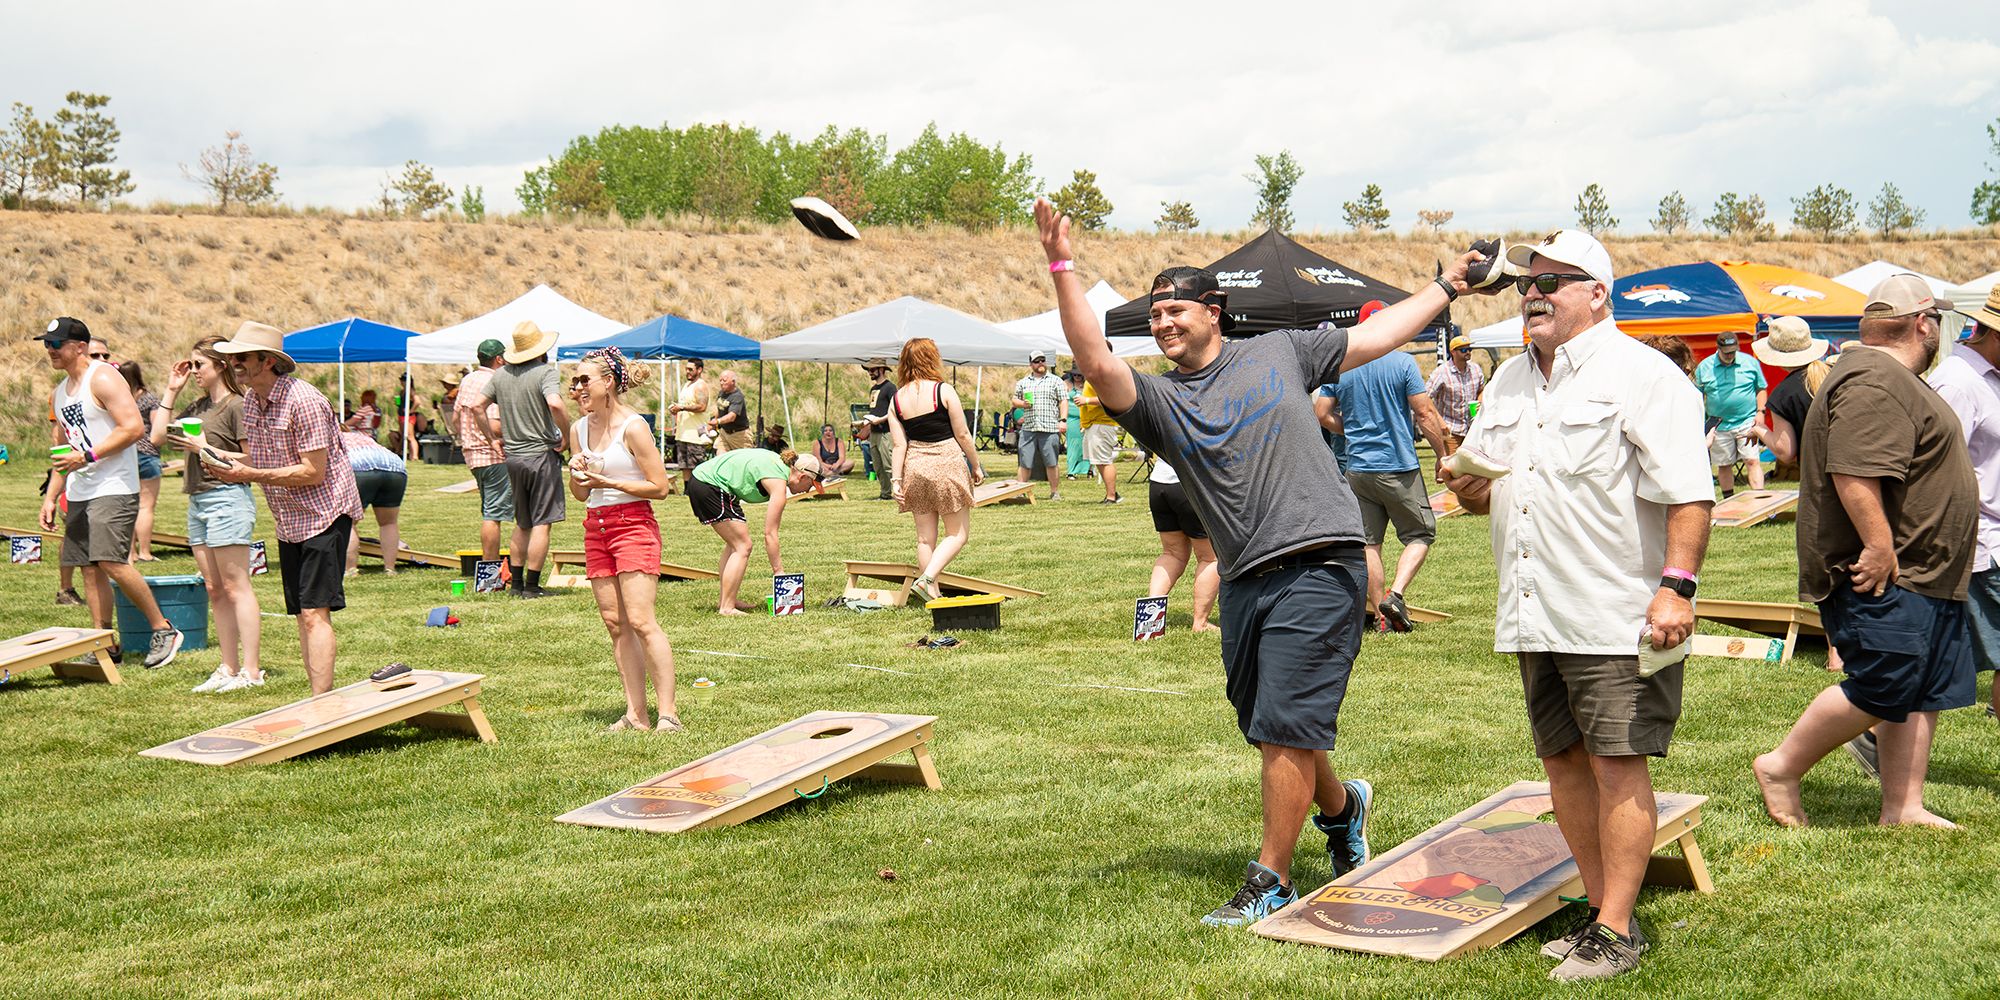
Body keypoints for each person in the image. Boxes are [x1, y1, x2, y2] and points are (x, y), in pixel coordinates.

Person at [1035, 197, 1486, 928]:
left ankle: (1270, 878)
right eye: (1153, 316)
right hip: (1245, 579)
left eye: (1174, 309)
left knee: (1284, 725)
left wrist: (1450, 286)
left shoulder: (1281, 351)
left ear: (1213, 311)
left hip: (1321, 558)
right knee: (1271, 722)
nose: (1162, 323)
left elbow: (1375, 337)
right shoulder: (1156, 403)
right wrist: (1062, 267)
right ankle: (1343, 811)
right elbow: (1093, 357)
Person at [1444, 230, 1712, 981]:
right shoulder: (1507, 381)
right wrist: (1467, 484)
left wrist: (1676, 586)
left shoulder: (1645, 376)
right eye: (1529, 281)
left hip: (1617, 609)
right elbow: (1485, 483)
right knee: (1562, 761)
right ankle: (1600, 913)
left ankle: (1619, 931)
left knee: (1618, 763)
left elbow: (1691, 494)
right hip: (1533, 608)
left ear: (1598, 293)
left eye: (1554, 280)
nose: (1534, 291)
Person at [1753, 276, 1977, 829]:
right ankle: (1782, 766)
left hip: (1925, 572)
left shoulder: (1885, 377)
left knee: (1917, 690)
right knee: (1886, 682)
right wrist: (1879, 545)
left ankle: (1902, 806)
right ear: (1923, 324)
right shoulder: (1875, 378)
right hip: (1889, 572)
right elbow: (1854, 469)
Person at [209, 321, 363, 695]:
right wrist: (212, 455)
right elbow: (258, 457)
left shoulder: (304, 400)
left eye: (241, 357)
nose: (234, 365)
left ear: (267, 361)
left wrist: (250, 473)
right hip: (289, 521)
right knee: (302, 614)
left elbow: (313, 472)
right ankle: (316, 699)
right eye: (231, 358)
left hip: (324, 515)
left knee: (314, 613)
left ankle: (321, 704)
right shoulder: (252, 403)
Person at [36, 316, 185, 669]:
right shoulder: (59, 393)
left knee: (111, 561)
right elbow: (62, 449)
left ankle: (164, 629)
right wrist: (51, 496)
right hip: (81, 487)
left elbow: (133, 428)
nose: (50, 351)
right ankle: (103, 642)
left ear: (80, 347)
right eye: (47, 344)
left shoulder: (102, 377)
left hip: (114, 485)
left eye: (56, 344)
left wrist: (87, 456)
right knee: (89, 567)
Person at [566, 348, 681, 733]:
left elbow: (660, 487)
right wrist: (577, 474)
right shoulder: (577, 429)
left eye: (585, 380)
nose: (578, 387)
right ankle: (636, 714)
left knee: (641, 620)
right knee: (615, 623)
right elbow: (580, 495)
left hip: (633, 525)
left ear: (608, 382)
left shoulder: (634, 426)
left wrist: (609, 481)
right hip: (596, 525)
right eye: (575, 380)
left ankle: (668, 714)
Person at [1324, 350, 1451, 632]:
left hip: (1357, 468)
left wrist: (1351, 431)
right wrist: (1442, 455)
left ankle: (1382, 619)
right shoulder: (1402, 361)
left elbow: (1321, 412)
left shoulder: (1341, 364)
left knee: (1369, 543)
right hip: (1398, 466)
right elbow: (1424, 411)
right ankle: (1395, 595)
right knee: (1421, 533)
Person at [163, 336, 263, 692]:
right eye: (189, 366)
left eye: (198, 366)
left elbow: (254, 460)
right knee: (214, 589)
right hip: (198, 501)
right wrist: (171, 392)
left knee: (237, 587)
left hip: (228, 498)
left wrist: (204, 448)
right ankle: (228, 668)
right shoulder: (197, 406)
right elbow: (158, 436)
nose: (192, 373)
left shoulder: (238, 406)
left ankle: (251, 672)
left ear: (220, 365)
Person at [1935, 286, 2000, 723]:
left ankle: (1877, 736)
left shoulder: (1987, 378)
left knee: (1938, 662)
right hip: (1981, 543)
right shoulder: (1957, 382)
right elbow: (1933, 469)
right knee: (1936, 661)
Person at [889, 338, 985, 601]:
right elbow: (963, 434)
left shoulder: (897, 399)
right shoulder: (943, 391)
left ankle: (932, 594)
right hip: (946, 463)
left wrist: (896, 480)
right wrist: (975, 465)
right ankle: (927, 579)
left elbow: (899, 445)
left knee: (924, 539)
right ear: (932, 358)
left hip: (916, 467)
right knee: (957, 534)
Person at [686, 447, 823, 615]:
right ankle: (727, 607)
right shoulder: (778, 480)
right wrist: (778, 571)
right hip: (709, 484)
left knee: (734, 545)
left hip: (706, 481)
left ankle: (727, 599)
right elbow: (770, 533)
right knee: (742, 546)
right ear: (802, 476)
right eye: (811, 484)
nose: (809, 491)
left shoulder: (778, 466)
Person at [489, 321, 571, 600]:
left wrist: (491, 436)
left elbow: (477, 405)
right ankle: (533, 587)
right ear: (541, 349)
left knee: (522, 523)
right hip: (540, 454)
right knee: (542, 522)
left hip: (513, 456)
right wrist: (566, 434)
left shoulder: (500, 376)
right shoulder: (545, 372)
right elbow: (556, 404)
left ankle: (516, 585)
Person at [454, 339, 512, 566]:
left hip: (472, 454)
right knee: (493, 515)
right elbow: (495, 424)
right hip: (493, 453)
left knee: (489, 509)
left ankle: (491, 565)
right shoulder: (494, 380)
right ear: (499, 358)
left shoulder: (467, 380)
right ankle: (491, 569)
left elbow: (456, 417)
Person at [1148, 456, 1219, 633]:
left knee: (1172, 554)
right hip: (1190, 483)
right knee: (1210, 557)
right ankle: (1200, 623)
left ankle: (1149, 620)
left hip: (1159, 482)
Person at [1694, 331, 1768, 496]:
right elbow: (1697, 395)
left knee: (1752, 460)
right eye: (1726, 352)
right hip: (1719, 424)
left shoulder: (1750, 362)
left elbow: (1761, 388)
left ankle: (1760, 500)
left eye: (1733, 352)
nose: (1730, 355)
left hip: (1747, 420)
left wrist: (1761, 412)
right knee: (1724, 464)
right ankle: (1729, 500)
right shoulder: (1705, 367)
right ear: (1718, 348)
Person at [1753, 317, 1833, 466]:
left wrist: (1759, 430)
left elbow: (1785, 451)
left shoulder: (1782, 395)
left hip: (1820, 475)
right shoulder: (1834, 373)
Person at [120, 361, 169, 562]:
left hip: (126, 453)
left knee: (127, 505)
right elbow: (158, 427)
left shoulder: (121, 400)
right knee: (146, 506)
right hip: (148, 453)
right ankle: (145, 552)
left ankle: (130, 552)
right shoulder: (149, 399)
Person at [342, 430, 407, 576]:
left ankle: (350, 569)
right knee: (388, 523)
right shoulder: (361, 435)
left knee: (347, 521)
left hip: (359, 467)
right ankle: (390, 568)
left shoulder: (331, 435)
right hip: (394, 466)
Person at [1011, 351, 1068, 499]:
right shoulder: (1023, 382)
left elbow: (1063, 401)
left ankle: (1054, 492)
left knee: (1051, 462)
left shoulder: (1056, 381)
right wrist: (1022, 404)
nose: (1041, 363)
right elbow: (1014, 400)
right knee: (1025, 462)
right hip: (1029, 427)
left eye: (1043, 360)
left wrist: (1063, 420)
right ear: (1031, 364)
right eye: (1037, 361)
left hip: (1049, 427)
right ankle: (1020, 492)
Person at [1426, 334, 1485, 455]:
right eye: (1463, 350)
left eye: (1469, 349)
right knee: (1449, 468)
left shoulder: (1476, 369)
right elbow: (1425, 398)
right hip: (1450, 431)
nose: (1468, 352)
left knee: (1472, 468)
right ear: (1453, 352)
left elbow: (1481, 390)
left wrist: (1479, 402)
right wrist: (1440, 421)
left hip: (1472, 430)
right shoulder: (1441, 372)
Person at [1076, 373, 1123, 503]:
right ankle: (1112, 492)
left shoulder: (1100, 377)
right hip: (1094, 424)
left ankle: (1112, 496)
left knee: (1104, 461)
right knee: (1099, 461)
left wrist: (1086, 400)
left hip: (1101, 425)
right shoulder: (1094, 377)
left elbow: (1110, 398)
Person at [666, 357, 714, 483]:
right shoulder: (687, 385)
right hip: (683, 433)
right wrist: (676, 409)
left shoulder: (700, 386)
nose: (687, 371)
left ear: (699, 370)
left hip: (696, 434)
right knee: (684, 465)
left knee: (696, 465)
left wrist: (681, 407)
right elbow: (684, 404)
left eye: (690, 369)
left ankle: (698, 488)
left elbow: (702, 406)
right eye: (686, 369)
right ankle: (687, 490)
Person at [855, 359, 896, 499]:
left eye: (872, 370)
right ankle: (885, 494)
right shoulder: (873, 389)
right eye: (868, 370)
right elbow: (874, 410)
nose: (870, 373)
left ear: (882, 370)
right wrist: (864, 422)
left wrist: (881, 420)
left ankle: (900, 493)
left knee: (889, 465)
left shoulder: (890, 388)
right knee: (878, 466)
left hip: (886, 432)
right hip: (874, 432)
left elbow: (894, 409)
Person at [708, 369, 752, 452]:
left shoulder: (737, 396)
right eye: (720, 380)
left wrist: (718, 421)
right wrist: (713, 422)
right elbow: (720, 408)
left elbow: (732, 416)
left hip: (739, 436)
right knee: (720, 458)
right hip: (724, 433)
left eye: (724, 380)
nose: (721, 383)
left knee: (741, 461)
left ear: (733, 382)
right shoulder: (722, 393)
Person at [1063, 370, 1091, 478]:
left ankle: (1087, 469)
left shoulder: (1089, 384)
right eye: (1074, 375)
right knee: (1073, 444)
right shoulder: (1065, 383)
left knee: (1086, 444)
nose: (1077, 377)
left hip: (1086, 417)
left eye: (1079, 374)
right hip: (1071, 419)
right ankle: (1071, 470)